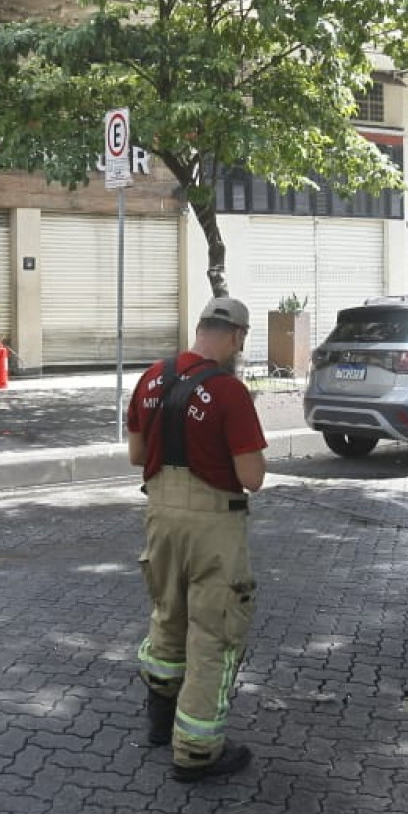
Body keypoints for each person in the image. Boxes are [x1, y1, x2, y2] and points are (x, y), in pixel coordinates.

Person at [125, 296, 268, 783]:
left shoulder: (150, 378)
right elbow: (252, 477)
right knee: (214, 634)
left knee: (169, 615)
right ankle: (197, 750)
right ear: (236, 337)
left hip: (159, 516)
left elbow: (136, 454)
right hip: (213, 527)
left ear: (200, 327)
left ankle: (159, 721)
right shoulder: (228, 391)